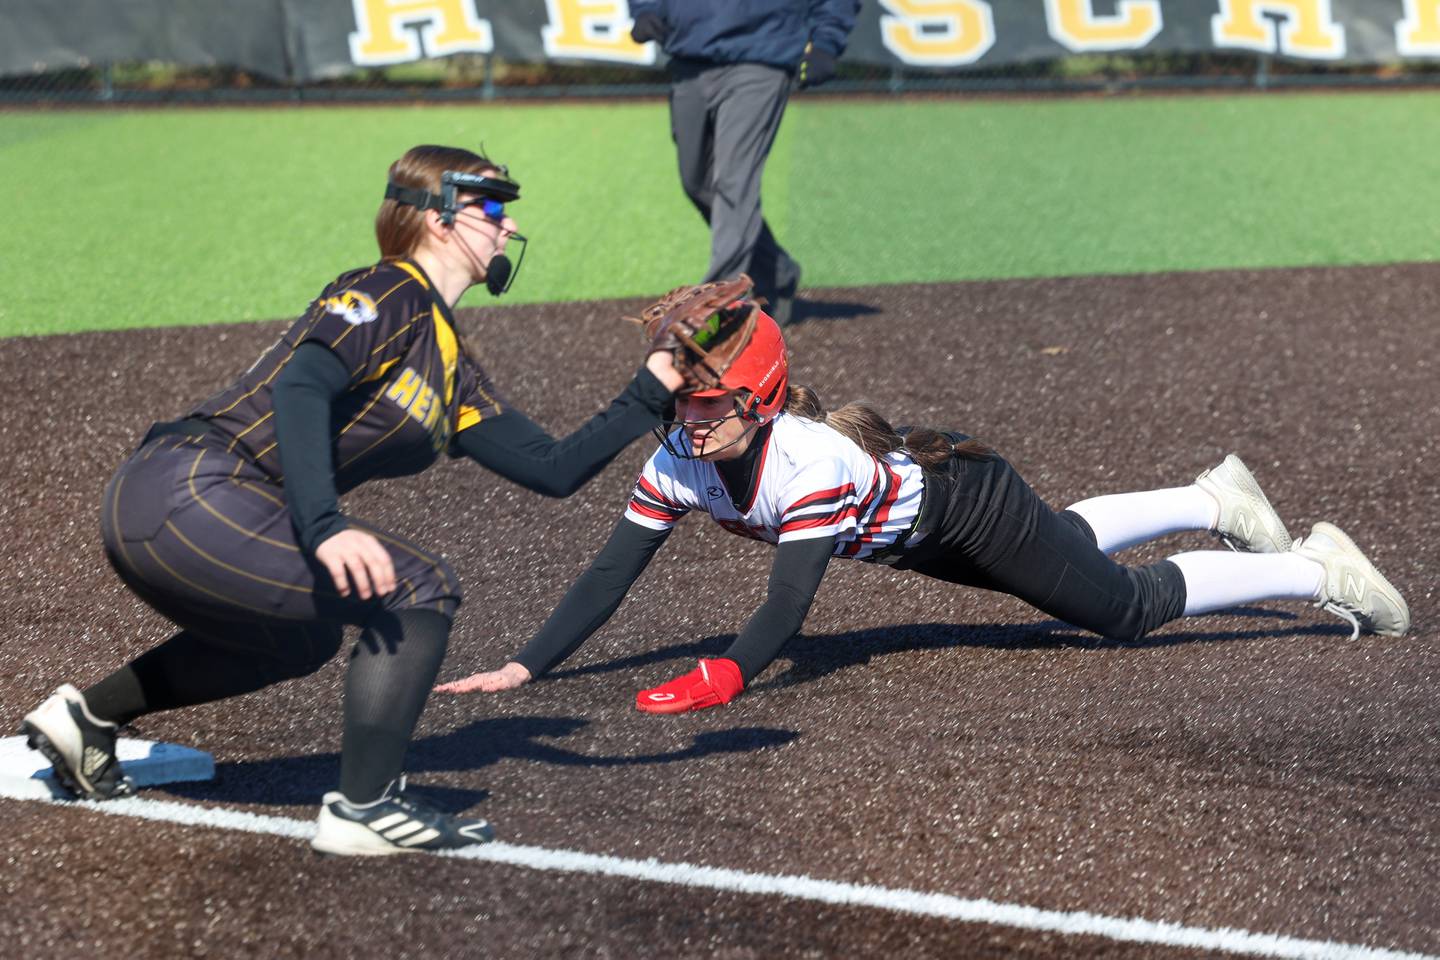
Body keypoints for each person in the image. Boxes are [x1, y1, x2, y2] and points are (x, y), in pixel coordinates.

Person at [20, 144, 685, 855]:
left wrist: (652, 388)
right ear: (437, 216)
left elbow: (553, 468)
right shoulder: (389, 289)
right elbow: (302, 385)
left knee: (297, 641)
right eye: (493, 206)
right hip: (185, 490)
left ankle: (87, 720)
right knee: (418, 587)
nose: (508, 227)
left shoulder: (449, 363)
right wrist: (325, 525)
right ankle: (365, 807)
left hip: (203, 513)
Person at [436, 285, 1411, 712]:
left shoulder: (804, 465)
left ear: (761, 398)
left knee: (1119, 608)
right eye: (683, 400)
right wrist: (525, 669)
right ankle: (1212, 497)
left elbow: (788, 602)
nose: (690, 419)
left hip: (964, 505)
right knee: (1066, 543)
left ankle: (1314, 565)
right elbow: (610, 573)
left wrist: (729, 675)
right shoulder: (681, 459)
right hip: (924, 517)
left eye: (710, 401)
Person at [628, 0, 861, 326]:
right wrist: (645, 10)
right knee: (697, 183)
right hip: (688, 57)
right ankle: (775, 269)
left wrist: (825, 44)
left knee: (733, 180)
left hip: (762, 57)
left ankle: (718, 305)